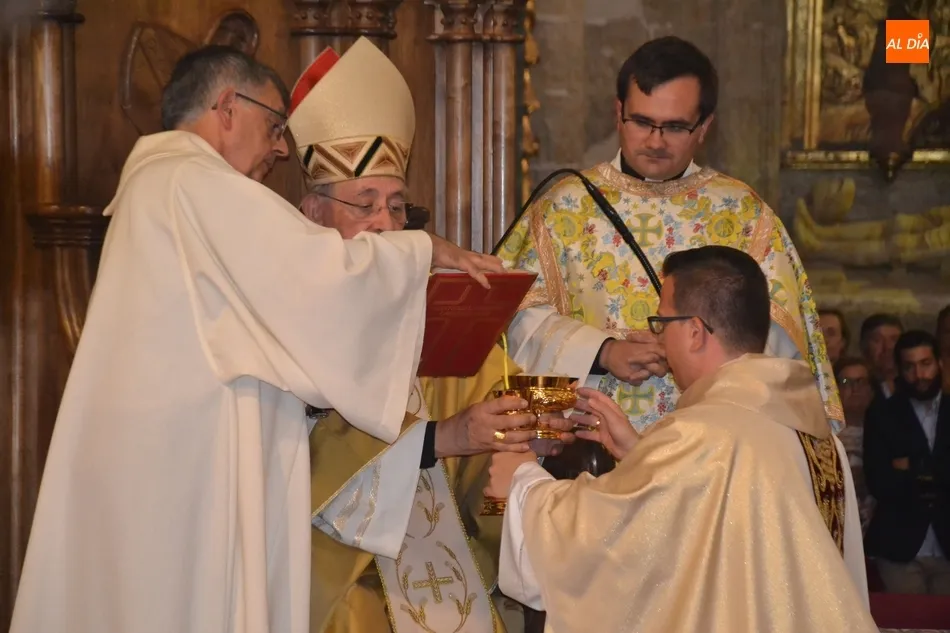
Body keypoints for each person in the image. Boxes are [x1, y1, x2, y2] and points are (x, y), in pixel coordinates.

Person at [9, 45, 505, 633]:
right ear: (227, 107)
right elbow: (321, 277)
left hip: (164, 472)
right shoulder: (191, 183)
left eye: (397, 208)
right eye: (273, 125)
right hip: (183, 481)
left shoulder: (164, 188)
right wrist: (424, 249)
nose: (279, 148)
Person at [286, 38, 557, 633]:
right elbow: (303, 474)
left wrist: (543, 430)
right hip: (342, 573)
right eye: (365, 205)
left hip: (456, 566)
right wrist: (444, 437)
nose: (386, 226)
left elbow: (491, 449)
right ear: (312, 214)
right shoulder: (288, 321)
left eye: (396, 206)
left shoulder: (443, 316)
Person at [486, 246, 875, 633]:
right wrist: (641, 454)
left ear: (693, 332)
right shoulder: (818, 440)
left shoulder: (700, 436)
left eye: (661, 323)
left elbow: (601, 546)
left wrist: (522, 480)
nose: (659, 340)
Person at [498, 36, 842, 437]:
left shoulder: (742, 214)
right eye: (642, 122)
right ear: (618, 113)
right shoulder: (564, 207)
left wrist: (694, 352)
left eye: (676, 126)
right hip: (588, 442)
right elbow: (516, 320)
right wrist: (603, 352)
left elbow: (781, 346)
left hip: (710, 446)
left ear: (705, 126)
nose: (656, 141)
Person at [864, 330, 950, 594]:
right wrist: (935, 470)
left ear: (940, 363)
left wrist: (910, 466)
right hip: (899, 547)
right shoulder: (882, 413)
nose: (919, 375)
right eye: (910, 367)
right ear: (900, 370)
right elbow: (879, 481)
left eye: (926, 364)